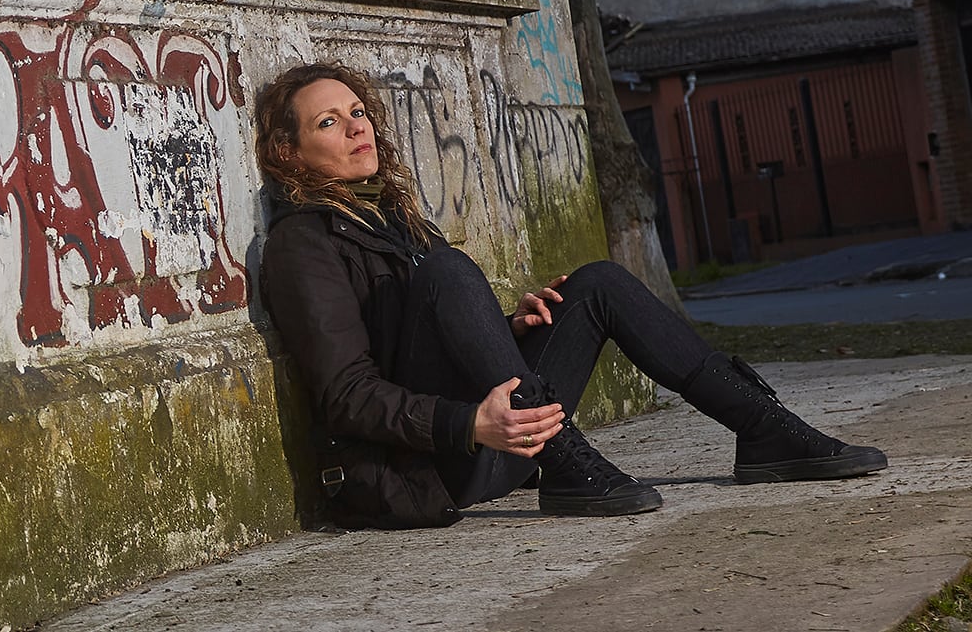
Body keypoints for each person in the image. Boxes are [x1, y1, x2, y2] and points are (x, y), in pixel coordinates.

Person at [255, 62, 887, 529]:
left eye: (358, 112)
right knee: (449, 270)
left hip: (505, 442)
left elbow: (419, 336)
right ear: (290, 153)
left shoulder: (394, 216)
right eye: (329, 122)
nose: (356, 128)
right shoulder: (302, 244)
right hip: (425, 467)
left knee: (596, 284)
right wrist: (469, 422)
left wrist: (506, 328)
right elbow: (347, 396)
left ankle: (764, 428)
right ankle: (567, 465)